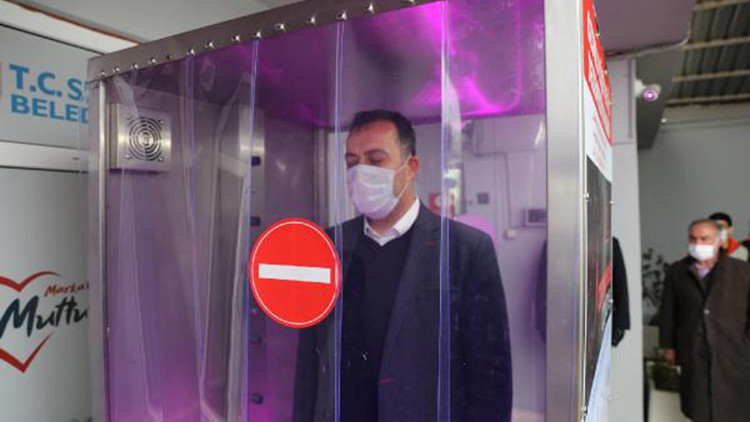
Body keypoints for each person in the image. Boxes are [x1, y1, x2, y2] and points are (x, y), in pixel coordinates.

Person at [293, 110, 512, 422]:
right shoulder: (328, 244)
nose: (360, 172)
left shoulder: (466, 249)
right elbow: (309, 364)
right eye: (352, 162)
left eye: (375, 160)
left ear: (411, 167)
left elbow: (490, 377)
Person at [659, 219, 750, 422]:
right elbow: (668, 311)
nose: (697, 243)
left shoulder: (743, 272)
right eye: (693, 238)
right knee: (698, 408)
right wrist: (668, 347)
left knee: (734, 409)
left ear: (719, 241)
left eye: (704, 239)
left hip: (734, 354)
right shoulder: (677, 271)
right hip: (693, 352)